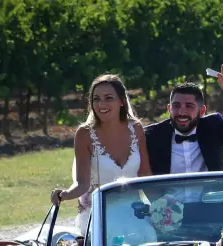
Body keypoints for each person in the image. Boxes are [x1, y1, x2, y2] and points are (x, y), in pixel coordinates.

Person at [50, 74, 152, 237]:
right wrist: (64, 194)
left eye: (108, 98)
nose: (101, 104)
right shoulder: (84, 134)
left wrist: (162, 204)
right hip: (98, 215)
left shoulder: (136, 128)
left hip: (134, 213)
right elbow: (82, 183)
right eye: (96, 99)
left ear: (121, 101)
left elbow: (145, 175)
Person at [144, 63, 223, 176]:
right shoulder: (151, 136)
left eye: (189, 106)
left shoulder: (213, 128)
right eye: (176, 106)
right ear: (169, 109)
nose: (181, 112)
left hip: (210, 197)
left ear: (201, 111)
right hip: (168, 198)